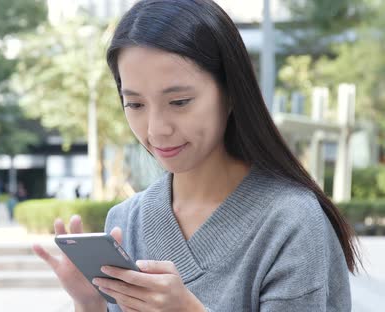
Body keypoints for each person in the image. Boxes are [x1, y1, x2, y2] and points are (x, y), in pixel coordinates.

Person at [32, 1, 361, 311]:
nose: (156, 129)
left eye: (179, 102)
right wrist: (90, 304)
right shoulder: (125, 221)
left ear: (231, 94)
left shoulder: (291, 221)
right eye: (134, 104)